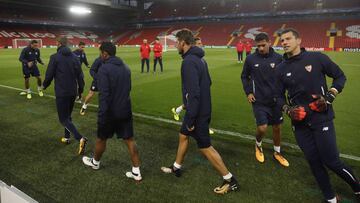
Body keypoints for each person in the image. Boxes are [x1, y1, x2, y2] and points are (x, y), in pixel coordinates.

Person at [276, 28, 360, 202]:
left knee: (331, 161)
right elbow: (276, 97)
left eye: (288, 39)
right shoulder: (280, 68)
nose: (284, 42)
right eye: (281, 40)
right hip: (299, 124)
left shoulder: (317, 58)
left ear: (299, 40)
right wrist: (288, 110)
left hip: (321, 118)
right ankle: (330, 198)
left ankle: (357, 188)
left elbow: (339, 76)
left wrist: (330, 96)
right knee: (314, 162)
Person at [161, 29, 239, 194]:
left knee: (205, 146)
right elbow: (208, 83)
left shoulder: (189, 61)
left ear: (183, 42)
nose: (175, 46)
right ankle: (177, 167)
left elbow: (194, 93)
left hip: (197, 113)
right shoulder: (200, 60)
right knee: (183, 135)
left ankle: (229, 180)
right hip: (199, 108)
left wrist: (190, 118)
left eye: (177, 42)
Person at [82, 42, 142, 182]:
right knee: (129, 140)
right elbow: (128, 90)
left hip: (109, 112)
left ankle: (95, 163)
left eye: (100, 53)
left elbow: (104, 95)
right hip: (125, 110)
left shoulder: (104, 69)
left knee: (101, 138)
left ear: (105, 54)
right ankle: (136, 171)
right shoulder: (126, 68)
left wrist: (102, 115)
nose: (100, 55)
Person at [241, 32, 289, 167]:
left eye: (263, 45)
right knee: (262, 128)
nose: (261, 48)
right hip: (259, 100)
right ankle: (258, 144)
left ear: (269, 42)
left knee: (277, 127)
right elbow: (244, 76)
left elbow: (285, 77)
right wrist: (248, 92)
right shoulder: (250, 59)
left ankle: (277, 152)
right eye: (258, 46)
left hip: (276, 101)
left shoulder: (279, 58)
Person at [42, 37, 87, 155]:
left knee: (63, 119)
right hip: (73, 91)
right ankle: (67, 137)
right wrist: (80, 90)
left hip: (62, 92)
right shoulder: (75, 58)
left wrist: (44, 86)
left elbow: (49, 74)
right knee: (68, 116)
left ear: (58, 44)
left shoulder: (55, 57)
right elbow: (80, 76)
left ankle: (80, 138)